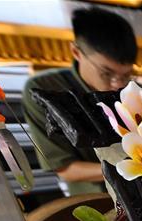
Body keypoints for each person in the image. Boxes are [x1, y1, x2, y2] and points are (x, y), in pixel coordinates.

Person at [23, 7, 136, 195]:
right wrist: (132, 167)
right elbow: (66, 169)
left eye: (126, 75)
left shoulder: (133, 91)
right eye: (106, 73)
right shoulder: (46, 91)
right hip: (96, 199)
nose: (117, 85)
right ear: (76, 52)